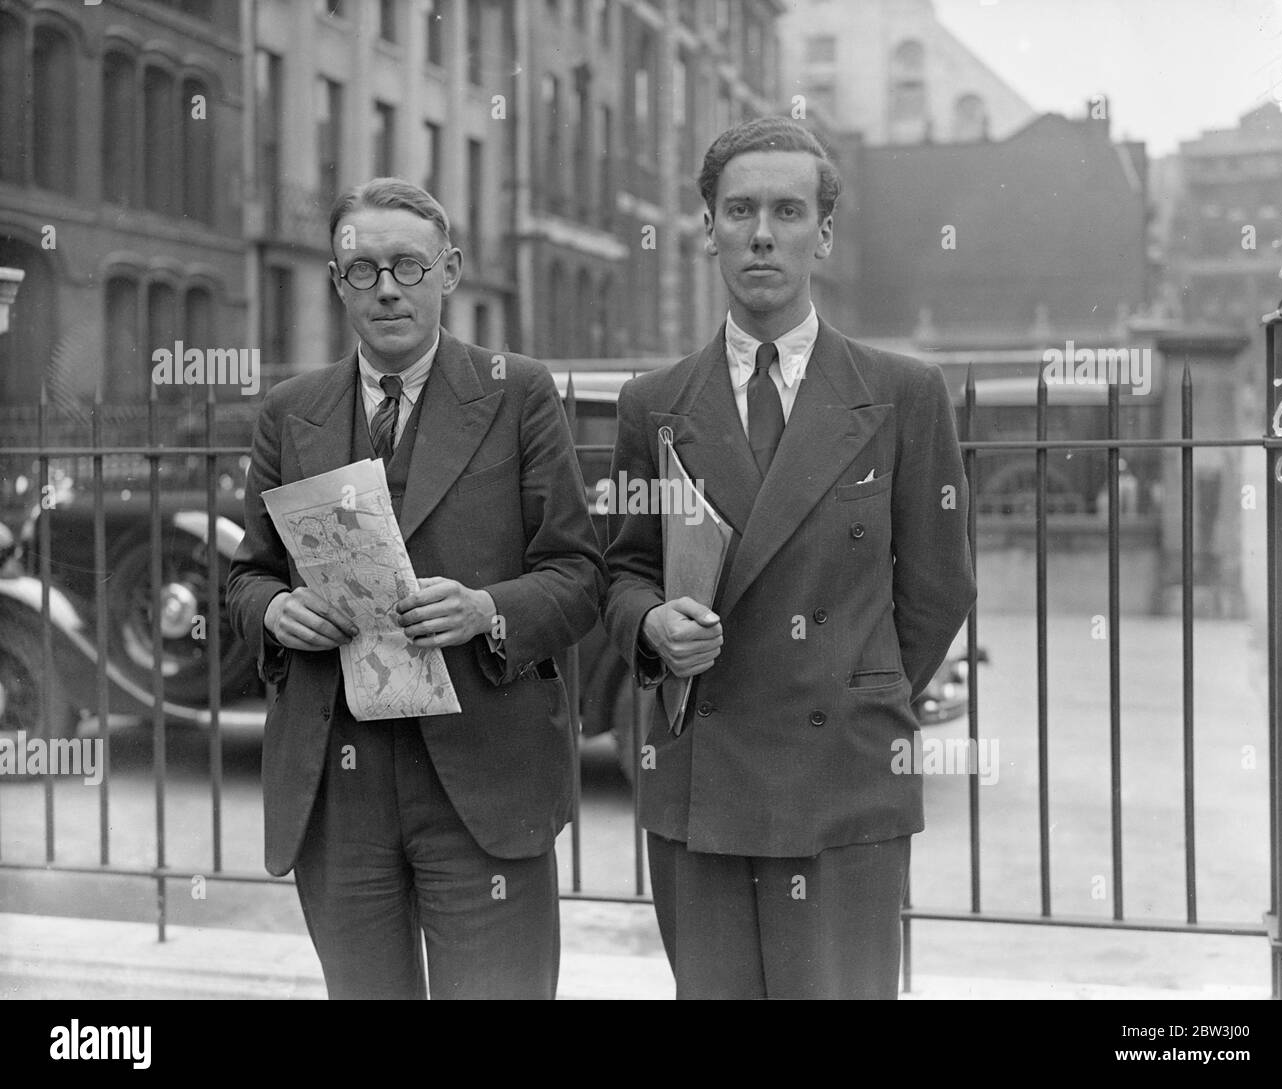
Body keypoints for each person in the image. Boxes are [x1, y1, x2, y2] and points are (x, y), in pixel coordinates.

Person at [602, 118, 977, 999]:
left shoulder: (902, 393)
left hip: (842, 780)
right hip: (703, 778)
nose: (762, 233)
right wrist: (652, 624)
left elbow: (939, 586)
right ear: (709, 231)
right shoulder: (653, 404)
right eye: (739, 211)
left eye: (787, 210)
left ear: (824, 234)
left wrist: (858, 689)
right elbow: (620, 571)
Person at [227, 177, 604, 999]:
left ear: (450, 271)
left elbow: (579, 574)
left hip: (482, 774)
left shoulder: (517, 393)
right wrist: (278, 611)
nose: (388, 289)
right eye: (363, 271)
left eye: (409, 265)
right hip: (339, 781)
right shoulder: (290, 411)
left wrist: (486, 610)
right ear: (337, 282)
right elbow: (245, 575)